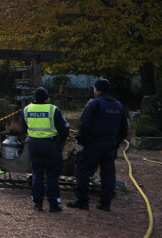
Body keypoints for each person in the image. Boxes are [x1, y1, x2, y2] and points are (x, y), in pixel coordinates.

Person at [67, 78, 128, 211]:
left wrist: (81, 140)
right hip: (110, 144)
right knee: (108, 173)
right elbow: (124, 127)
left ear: (96, 89)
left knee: (82, 170)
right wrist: (116, 142)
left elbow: (85, 124)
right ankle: (106, 202)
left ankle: (82, 200)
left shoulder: (94, 104)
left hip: (94, 143)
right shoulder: (118, 105)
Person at [21, 87, 71, 212]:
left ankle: (38, 203)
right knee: (52, 175)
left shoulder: (26, 109)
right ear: (47, 98)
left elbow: (23, 128)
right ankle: (53, 204)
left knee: (37, 173)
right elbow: (64, 130)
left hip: (33, 145)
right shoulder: (53, 109)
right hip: (50, 145)